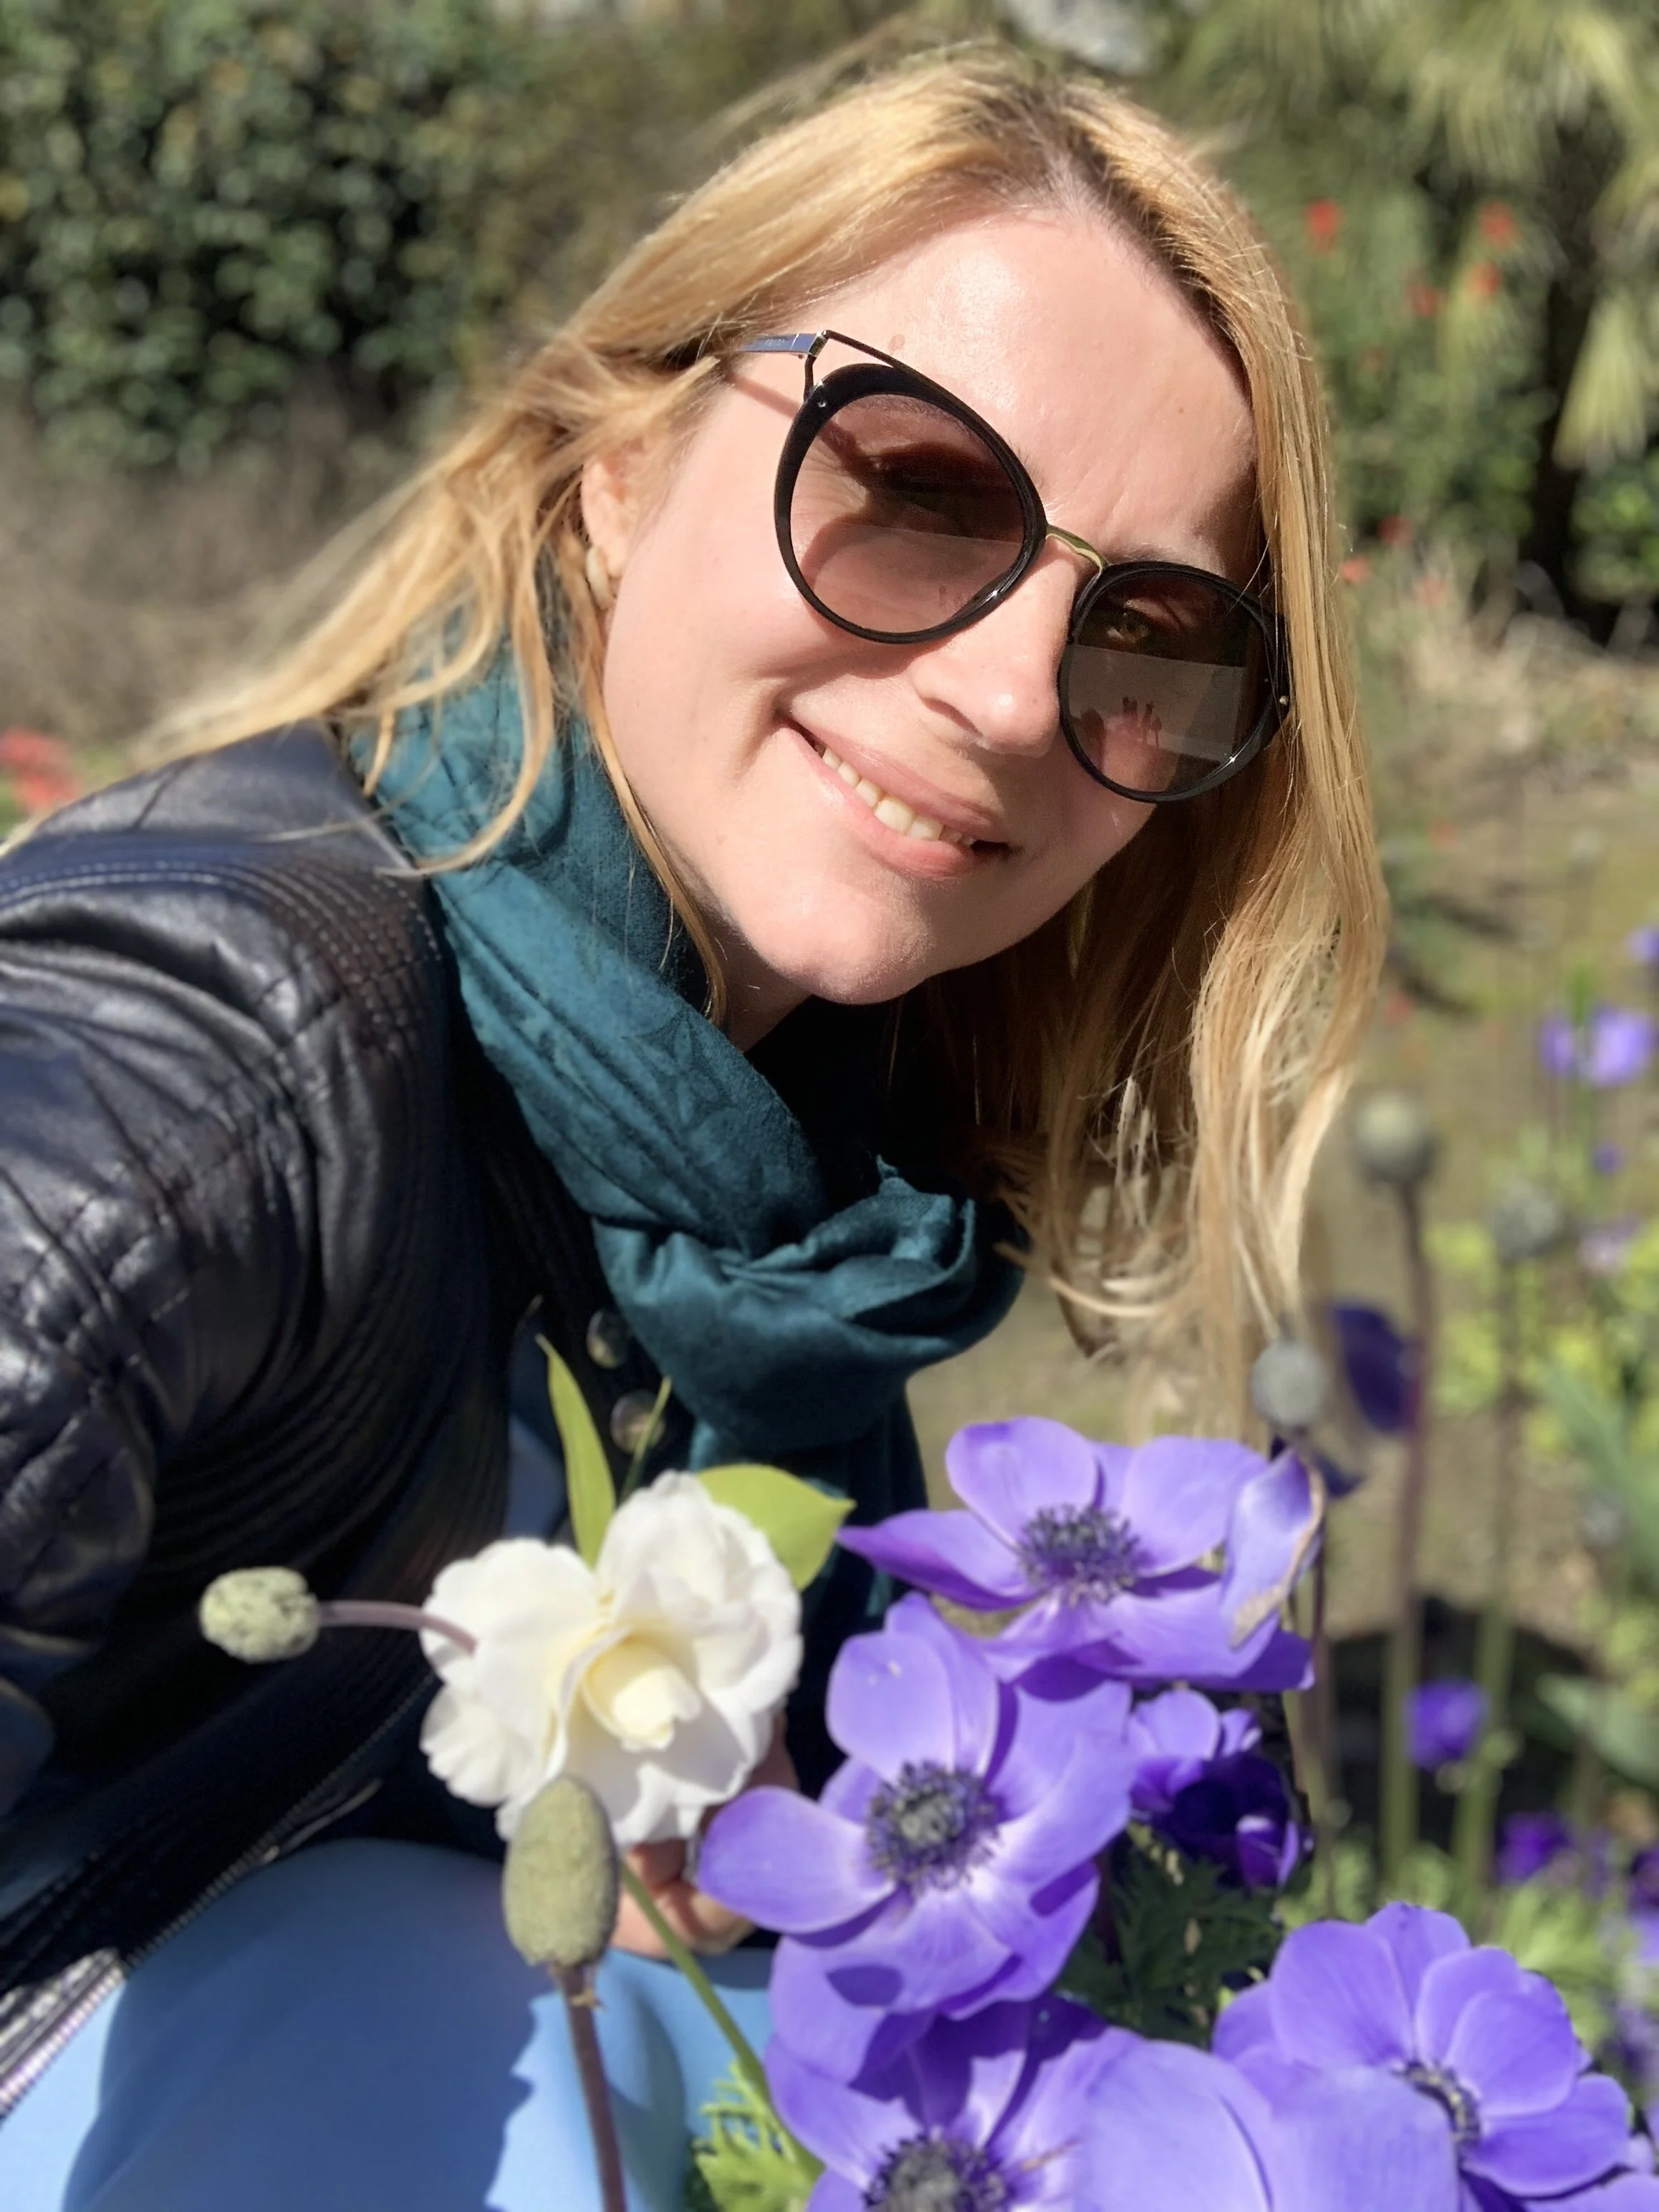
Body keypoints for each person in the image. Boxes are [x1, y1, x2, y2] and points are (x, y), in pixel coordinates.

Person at [0, 46, 1384, 2211]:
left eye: (1154, 635)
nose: (1012, 698)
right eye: (917, 487)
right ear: (620, 468)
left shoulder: (809, 1213)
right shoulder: (218, 1045)